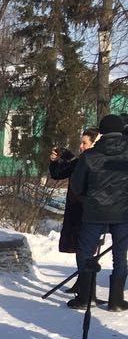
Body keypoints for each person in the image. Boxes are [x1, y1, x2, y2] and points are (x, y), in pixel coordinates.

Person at [68, 114, 128, 311]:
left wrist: (88, 200)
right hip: (123, 212)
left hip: (94, 211)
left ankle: (86, 296)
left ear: (101, 132)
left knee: (85, 252)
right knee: (120, 255)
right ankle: (116, 300)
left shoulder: (89, 156)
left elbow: (76, 185)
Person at [49, 129, 96, 260]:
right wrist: (55, 161)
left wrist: (71, 159)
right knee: (79, 247)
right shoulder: (79, 161)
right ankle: (84, 277)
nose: (81, 147)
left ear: (93, 143)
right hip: (75, 211)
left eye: (84, 143)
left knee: (86, 247)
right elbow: (58, 174)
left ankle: (86, 277)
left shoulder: (97, 162)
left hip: (88, 212)